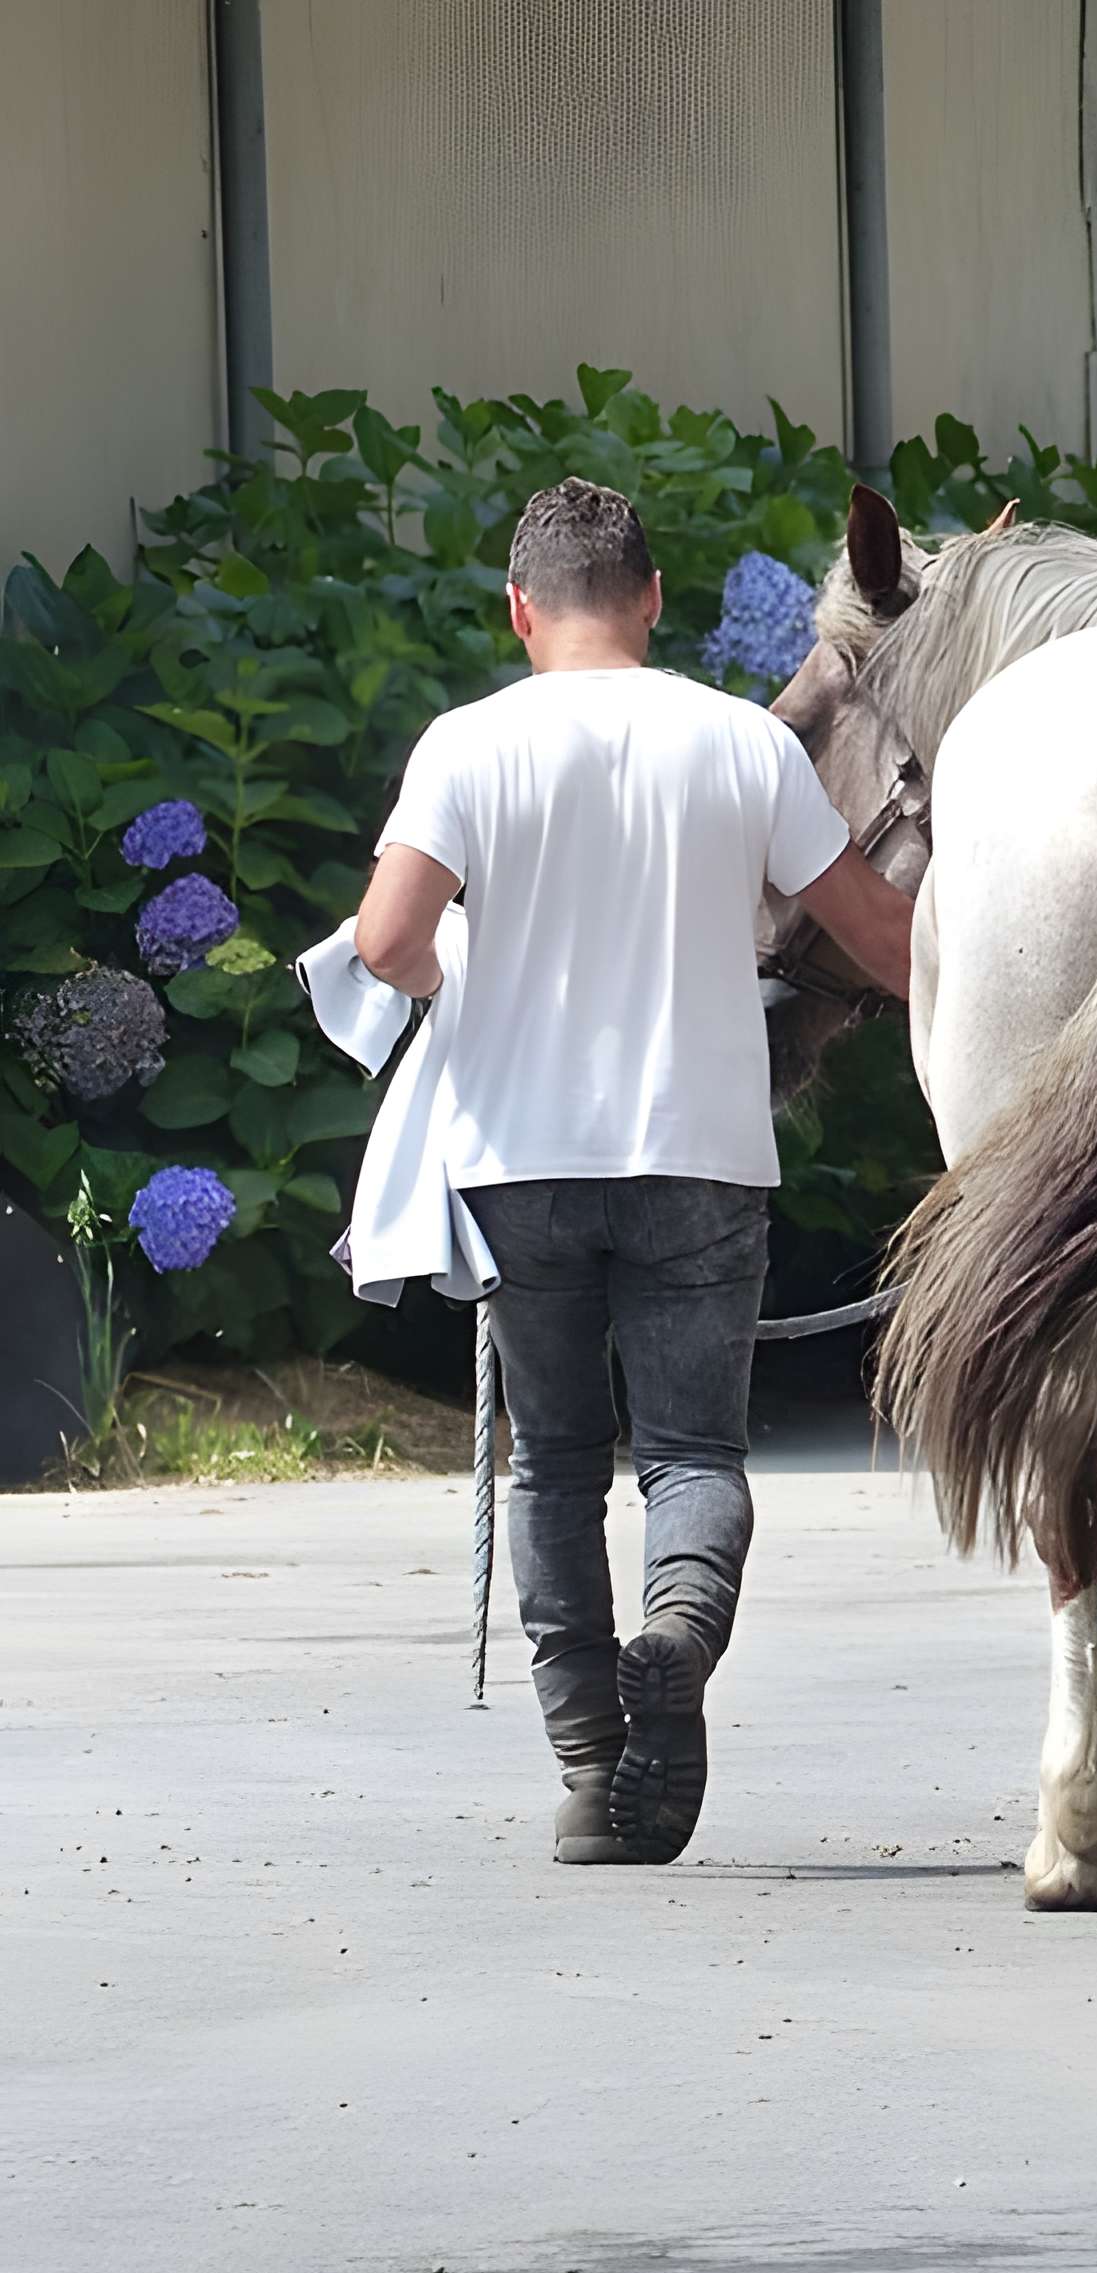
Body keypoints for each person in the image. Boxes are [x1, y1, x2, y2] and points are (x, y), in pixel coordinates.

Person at [354, 478, 912, 1866]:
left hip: (518, 1156)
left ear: (520, 608)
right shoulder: (740, 746)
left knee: (549, 1464)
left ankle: (597, 1777)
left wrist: (447, 979)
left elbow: (382, 942)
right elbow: (886, 945)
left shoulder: (465, 747)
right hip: (701, 1155)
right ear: (654, 599)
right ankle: (676, 1630)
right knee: (691, 1454)